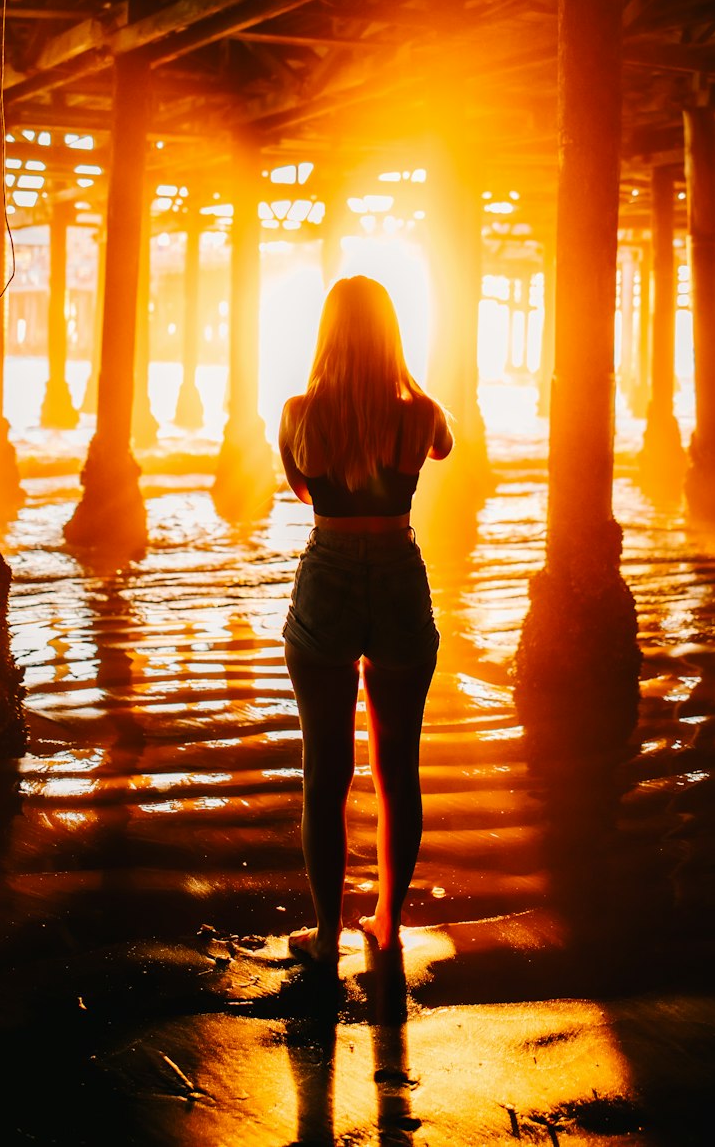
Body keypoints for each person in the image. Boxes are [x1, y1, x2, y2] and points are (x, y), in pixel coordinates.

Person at [279, 275, 454, 965]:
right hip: (398, 577)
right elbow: (442, 450)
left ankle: (325, 931)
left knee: (325, 770)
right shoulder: (421, 412)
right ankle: (388, 920)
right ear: (392, 334)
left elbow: (301, 486)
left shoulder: (298, 413)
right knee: (396, 767)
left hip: (327, 577)